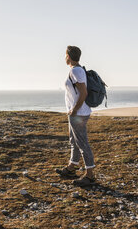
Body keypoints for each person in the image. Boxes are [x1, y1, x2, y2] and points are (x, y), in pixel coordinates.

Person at [56, 45, 96, 186]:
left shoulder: (76, 71)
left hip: (78, 113)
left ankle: (90, 175)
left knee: (82, 143)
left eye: (65, 54)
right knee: (74, 141)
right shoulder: (76, 70)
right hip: (76, 112)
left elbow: (83, 93)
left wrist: (74, 109)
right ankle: (71, 167)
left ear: (69, 56)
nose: (64, 57)